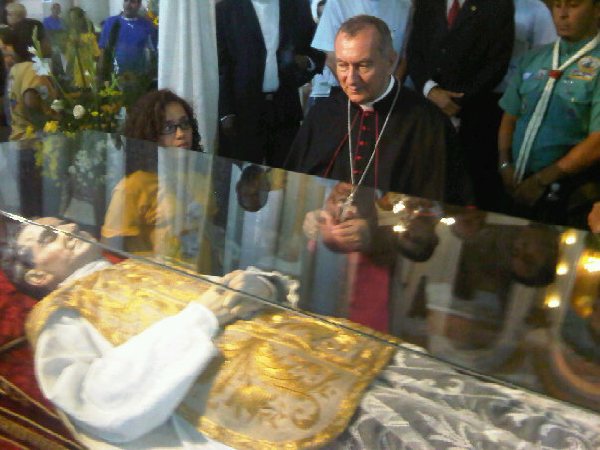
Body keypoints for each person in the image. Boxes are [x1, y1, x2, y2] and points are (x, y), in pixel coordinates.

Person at [6, 217, 600, 448]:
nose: (64, 231)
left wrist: (253, 284)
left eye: (61, 224)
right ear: (35, 274)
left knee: (461, 403)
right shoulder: (59, 317)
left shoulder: (133, 264)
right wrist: (203, 318)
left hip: (318, 348)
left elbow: (232, 282)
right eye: (48, 237)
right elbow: (95, 398)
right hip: (254, 397)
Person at [286, 15, 471, 204]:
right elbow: (296, 190)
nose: (351, 79)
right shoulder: (322, 114)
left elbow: (435, 208)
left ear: (390, 62)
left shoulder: (429, 124)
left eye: (363, 65)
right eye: (342, 65)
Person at [498, 0, 600, 227]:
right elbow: (510, 116)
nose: (562, 14)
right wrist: (504, 165)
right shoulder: (534, 58)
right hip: (518, 184)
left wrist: (543, 179)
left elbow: (597, 142)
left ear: (597, 10)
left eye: (573, 5)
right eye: (557, 6)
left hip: (570, 194)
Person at [406, 0, 514, 211]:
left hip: (475, 117)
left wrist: (458, 100)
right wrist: (430, 90)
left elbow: (497, 63)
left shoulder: (499, 5)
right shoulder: (427, 4)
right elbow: (414, 52)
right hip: (427, 111)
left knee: (470, 192)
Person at [216, 0, 326, 166]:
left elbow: (316, 50)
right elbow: (221, 65)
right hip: (243, 112)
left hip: (284, 110)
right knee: (242, 182)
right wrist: (226, 112)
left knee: (285, 180)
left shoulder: (296, 6)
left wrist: (306, 62)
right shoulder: (227, 9)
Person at [101, 89, 204, 255]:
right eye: (168, 127)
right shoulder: (133, 187)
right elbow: (110, 254)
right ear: (149, 134)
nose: (181, 134)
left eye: (185, 124)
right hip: (152, 278)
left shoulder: (200, 177)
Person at [308, 0, 413, 108]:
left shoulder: (405, 5)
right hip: (341, 94)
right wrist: (355, 90)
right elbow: (331, 56)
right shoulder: (338, 3)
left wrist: (389, 91)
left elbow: (403, 56)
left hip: (391, 97)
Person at [1, 28, 54, 140]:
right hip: (33, 140)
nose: (49, 43)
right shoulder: (32, 68)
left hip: (19, 136)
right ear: (36, 43)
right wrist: (48, 122)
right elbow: (30, 101)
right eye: (46, 39)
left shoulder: (16, 68)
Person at [98, 0, 157, 79]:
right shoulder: (111, 23)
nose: (128, 4)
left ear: (139, 4)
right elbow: (103, 51)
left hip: (139, 79)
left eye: (132, 2)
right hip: (113, 78)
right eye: (126, 1)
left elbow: (153, 54)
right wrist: (100, 75)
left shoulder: (147, 26)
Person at [64, 7, 99, 89]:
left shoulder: (90, 36)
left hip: (88, 74)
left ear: (81, 19)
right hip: (76, 76)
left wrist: (83, 44)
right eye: (71, 19)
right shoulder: (71, 37)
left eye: (75, 19)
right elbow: (69, 59)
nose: (73, 22)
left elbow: (96, 55)